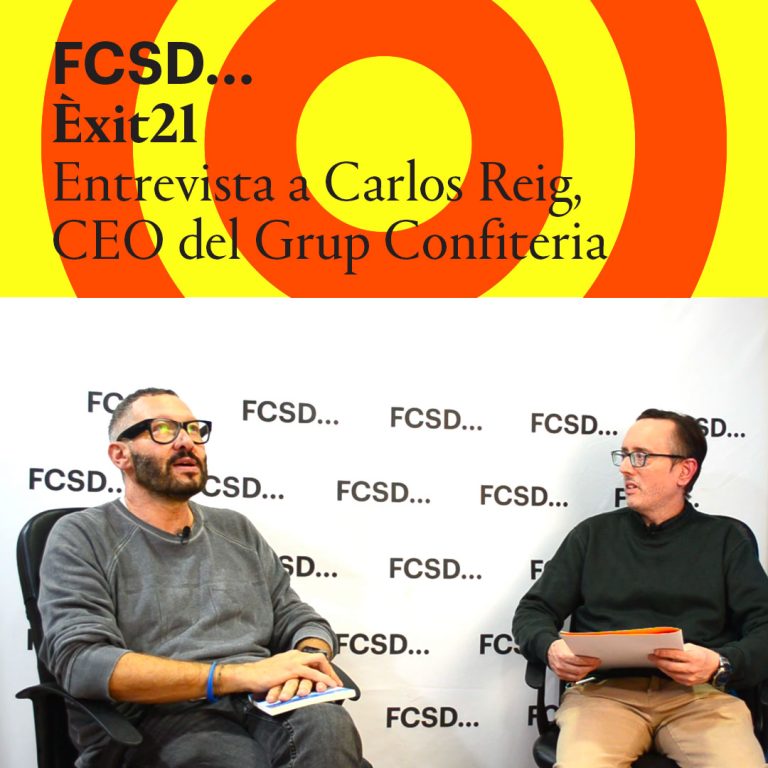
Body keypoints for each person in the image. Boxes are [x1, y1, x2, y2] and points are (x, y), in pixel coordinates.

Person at [38, 387, 365, 768]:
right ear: (120, 454)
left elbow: (296, 616)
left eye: (193, 429)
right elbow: (83, 663)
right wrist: (237, 676)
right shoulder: (82, 535)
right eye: (163, 429)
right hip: (158, 715)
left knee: (329, 727)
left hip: (260, 700)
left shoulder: (236, 529)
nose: (186, 442)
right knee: (242, 762)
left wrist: (309, 658)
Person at [513, 408, 768, 767]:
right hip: (603, 696)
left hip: (699, 697)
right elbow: (533, 610)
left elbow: (764, 626)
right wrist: (550, 647)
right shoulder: (592, 535)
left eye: (641, 456)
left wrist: (722, 663)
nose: (625, 468)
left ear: (684, 471)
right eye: (624, 455)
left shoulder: (726, 540)